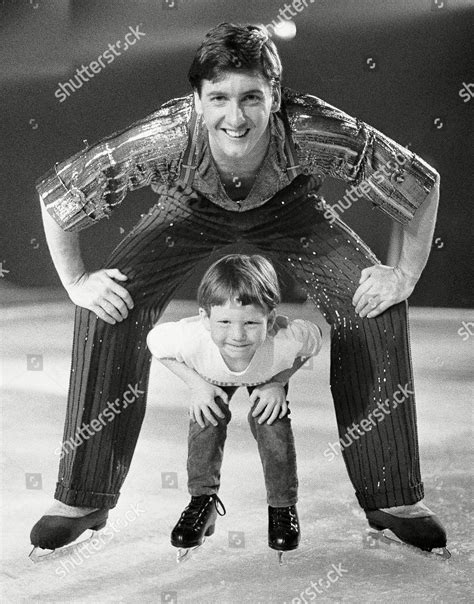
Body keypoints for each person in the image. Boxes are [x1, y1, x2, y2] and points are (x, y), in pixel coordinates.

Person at [30, 22, 447, 557]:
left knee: (374, 308)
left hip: (287, 208)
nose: (235, 116)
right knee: (109, 308)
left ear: (275, 98)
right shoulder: (164, 139)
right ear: (197, 102)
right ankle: (82, 498)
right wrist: (77, 282)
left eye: (252, 97)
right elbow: (61, 194)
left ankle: (394, 497)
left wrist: (403, 277)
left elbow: (419, 183)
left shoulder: (310, 127)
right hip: (189, 207)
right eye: (219, 98)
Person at [146, 253, 322, 556]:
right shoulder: (191, 340)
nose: (237, 335)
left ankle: (282, 508)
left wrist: (278, 381)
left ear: (269, 318)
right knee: (205, 419)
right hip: (209, 375)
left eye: (252, 322)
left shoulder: (285, 339)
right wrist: (196, 385)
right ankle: (203, 502)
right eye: (224, 321)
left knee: (273, 422)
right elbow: (155, 343)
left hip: (265, 373)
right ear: (205, 319)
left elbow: (314, 340)